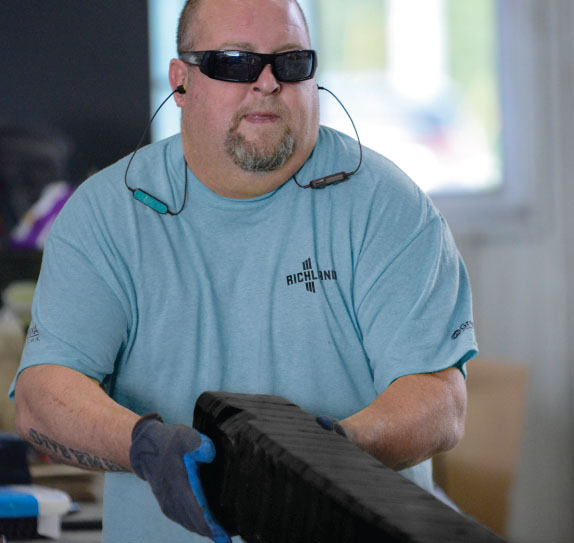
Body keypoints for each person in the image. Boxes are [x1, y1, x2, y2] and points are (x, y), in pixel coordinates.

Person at [10, 0, 477, 542]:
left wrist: (331, 456)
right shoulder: (107, 213)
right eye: (234, 61)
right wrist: (144, 446)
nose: (268, 83)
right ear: (181, 82)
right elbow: (45, 394)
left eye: (291, 62)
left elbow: (440, 400)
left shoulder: (388, 206)